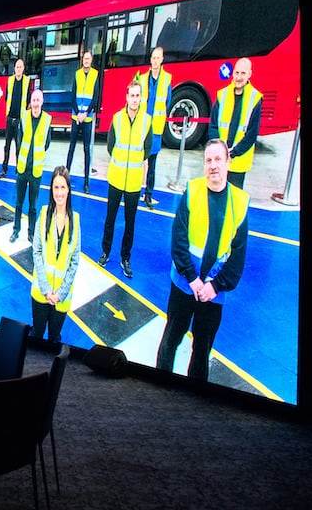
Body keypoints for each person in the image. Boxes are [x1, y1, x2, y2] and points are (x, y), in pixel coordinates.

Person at [155, 138, 249, 382]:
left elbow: (237, 258)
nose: (213, 165)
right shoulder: (192, 192)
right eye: (208, 160)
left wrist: (214, 286)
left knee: (201, 351)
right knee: (170, 340)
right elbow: (178, 242)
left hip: (213, 294)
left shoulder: (239, 204)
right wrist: (193, 278)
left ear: (228, 162)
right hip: (184, 286)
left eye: (218, 159)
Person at [99, 81, 151, 279]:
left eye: (138, 96)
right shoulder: (117, 118)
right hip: (116, 178)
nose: (135, 99)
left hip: (134, 182)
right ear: (127, 97)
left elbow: (147, 150)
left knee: (130, 223)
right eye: (132, 96)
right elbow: (110, 146)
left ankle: (125, 258)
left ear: (141, 98)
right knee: (110, 219)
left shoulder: (147, 121)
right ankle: (105, 252)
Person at [30, 165, 80, 344]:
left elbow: (74, 261)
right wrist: (46, 290)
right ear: (51, 189)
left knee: (54, 339)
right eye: (56, 187)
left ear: (68, 189)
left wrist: (61, 293)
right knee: (37, 335)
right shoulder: (44, 215)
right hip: (41, 292)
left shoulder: (75, 220)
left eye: (63, 187)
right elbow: (36, 251)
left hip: (62, 297)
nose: (59, 192)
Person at [208, 57, 262, 189]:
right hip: (219, 160)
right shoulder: (222, 94)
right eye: (237, 73)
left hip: (238, 163)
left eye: (243, 73)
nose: (238, 77)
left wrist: (233, 153)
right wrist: (220, 150)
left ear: (249, 74)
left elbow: (252, 134)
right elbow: (213, 125)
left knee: (233, 198)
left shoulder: (255, 98)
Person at [10, 89, 51, 244]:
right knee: (18, 203)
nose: (35, 103)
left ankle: (31, 232)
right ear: (30, 102)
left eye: (38, 100)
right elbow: (19, 140)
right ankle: (16, 230)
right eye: (33, 100)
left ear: (42, 102)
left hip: (36, 171)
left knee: (33, 206)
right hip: (22, 169)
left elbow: (47, 143)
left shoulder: (47, 120)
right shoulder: (24, 117)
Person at [136, 46, 172, 208]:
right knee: (138, 160)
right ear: (150, 60)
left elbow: (167, 102)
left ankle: (148, 194)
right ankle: (135, 190)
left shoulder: (167, 79)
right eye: (153, 58)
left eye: (158, 58)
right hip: (142, 127)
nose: (156, 60)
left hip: (156, 129)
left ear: (162, 59)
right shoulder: (143, 78)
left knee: (152, 164)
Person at [64, 49, 99, 193]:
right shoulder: (77, 74)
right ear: (82, 60)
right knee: (71, 147)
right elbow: (72, 96)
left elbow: (95, 97)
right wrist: (78, 113)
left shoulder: (95, 74)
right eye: (85, 58)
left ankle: (86, 182)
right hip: (76, 117)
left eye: (88, 58)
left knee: (86, 150)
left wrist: (86, 113)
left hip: (87, 118)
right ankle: (66, 176)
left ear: (91, 60)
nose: (86, 61)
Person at [0, 57, 29, 178]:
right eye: (17, 67)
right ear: (14, 68)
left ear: (23, 68)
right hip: (10, 118)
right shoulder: (10, 81)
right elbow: (7, 97)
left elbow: (28, 100)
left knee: (19, 146)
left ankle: (19, 169)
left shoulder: (26, 82)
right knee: (7, 146)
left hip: (20, 120)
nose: (18, 69)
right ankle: (4, 169)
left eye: (20, 67)